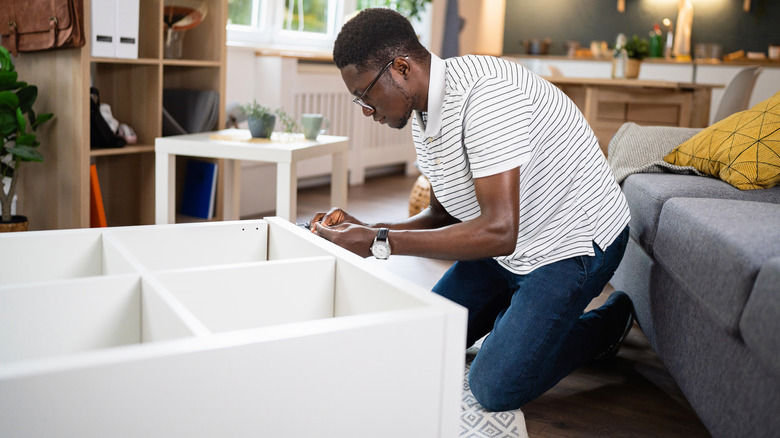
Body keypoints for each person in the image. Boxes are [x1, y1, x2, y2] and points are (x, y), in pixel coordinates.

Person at [308, 8, 633, 411]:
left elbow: (500, 230)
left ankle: (607, 325)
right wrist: (370, 226)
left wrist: (378, 242)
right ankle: (521, 321)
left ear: (402, 68)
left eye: (365, 95)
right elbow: (442, 216)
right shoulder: (420, 111)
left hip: (571, 244)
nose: (364, 109)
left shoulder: (487, 98)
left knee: (496, 386)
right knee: (426, 343)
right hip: (505, 250)